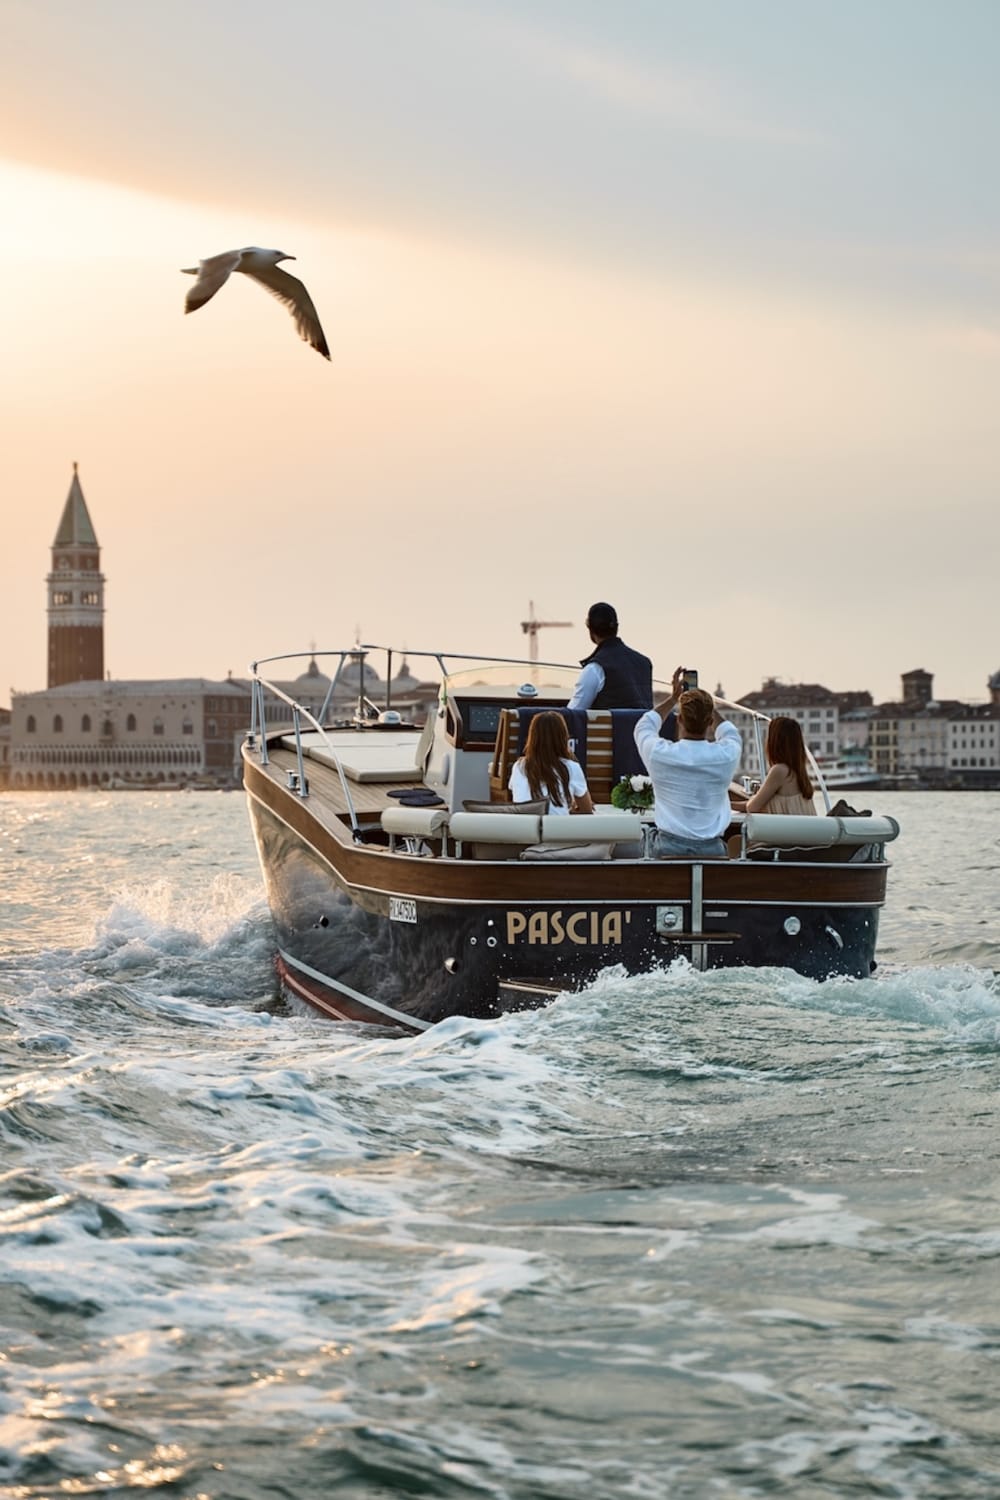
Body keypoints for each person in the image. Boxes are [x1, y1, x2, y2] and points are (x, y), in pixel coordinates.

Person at [634, 667, 742, 857]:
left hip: (667, 850)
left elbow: (644, 726)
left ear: (679, 720)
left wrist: (673, 698)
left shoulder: (659, 753)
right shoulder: (727, 754)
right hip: (713, 852)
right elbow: (729, 731)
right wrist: (705, 704)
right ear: (710, 722)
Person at [567, 602, 654, 711]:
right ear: (616, 628)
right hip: (642, 728)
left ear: (590, 629)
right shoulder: (645, 663)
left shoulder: (595, 668)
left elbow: (574, 714)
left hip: (616, 728)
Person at [509, 711, 594, 815]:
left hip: (525, 828)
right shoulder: (571, 767)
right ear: (563, 737)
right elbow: (586, 810)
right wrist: (569, 810)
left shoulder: (519, 766)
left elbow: (519, 796)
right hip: (556, 829)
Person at [743, 717, 817, 816]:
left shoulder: (779, 771)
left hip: (788, 831)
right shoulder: (797, 771)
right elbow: (754, 804)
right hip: (803, 830)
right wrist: (728, 805)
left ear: (775, 741)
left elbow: (752, 807)